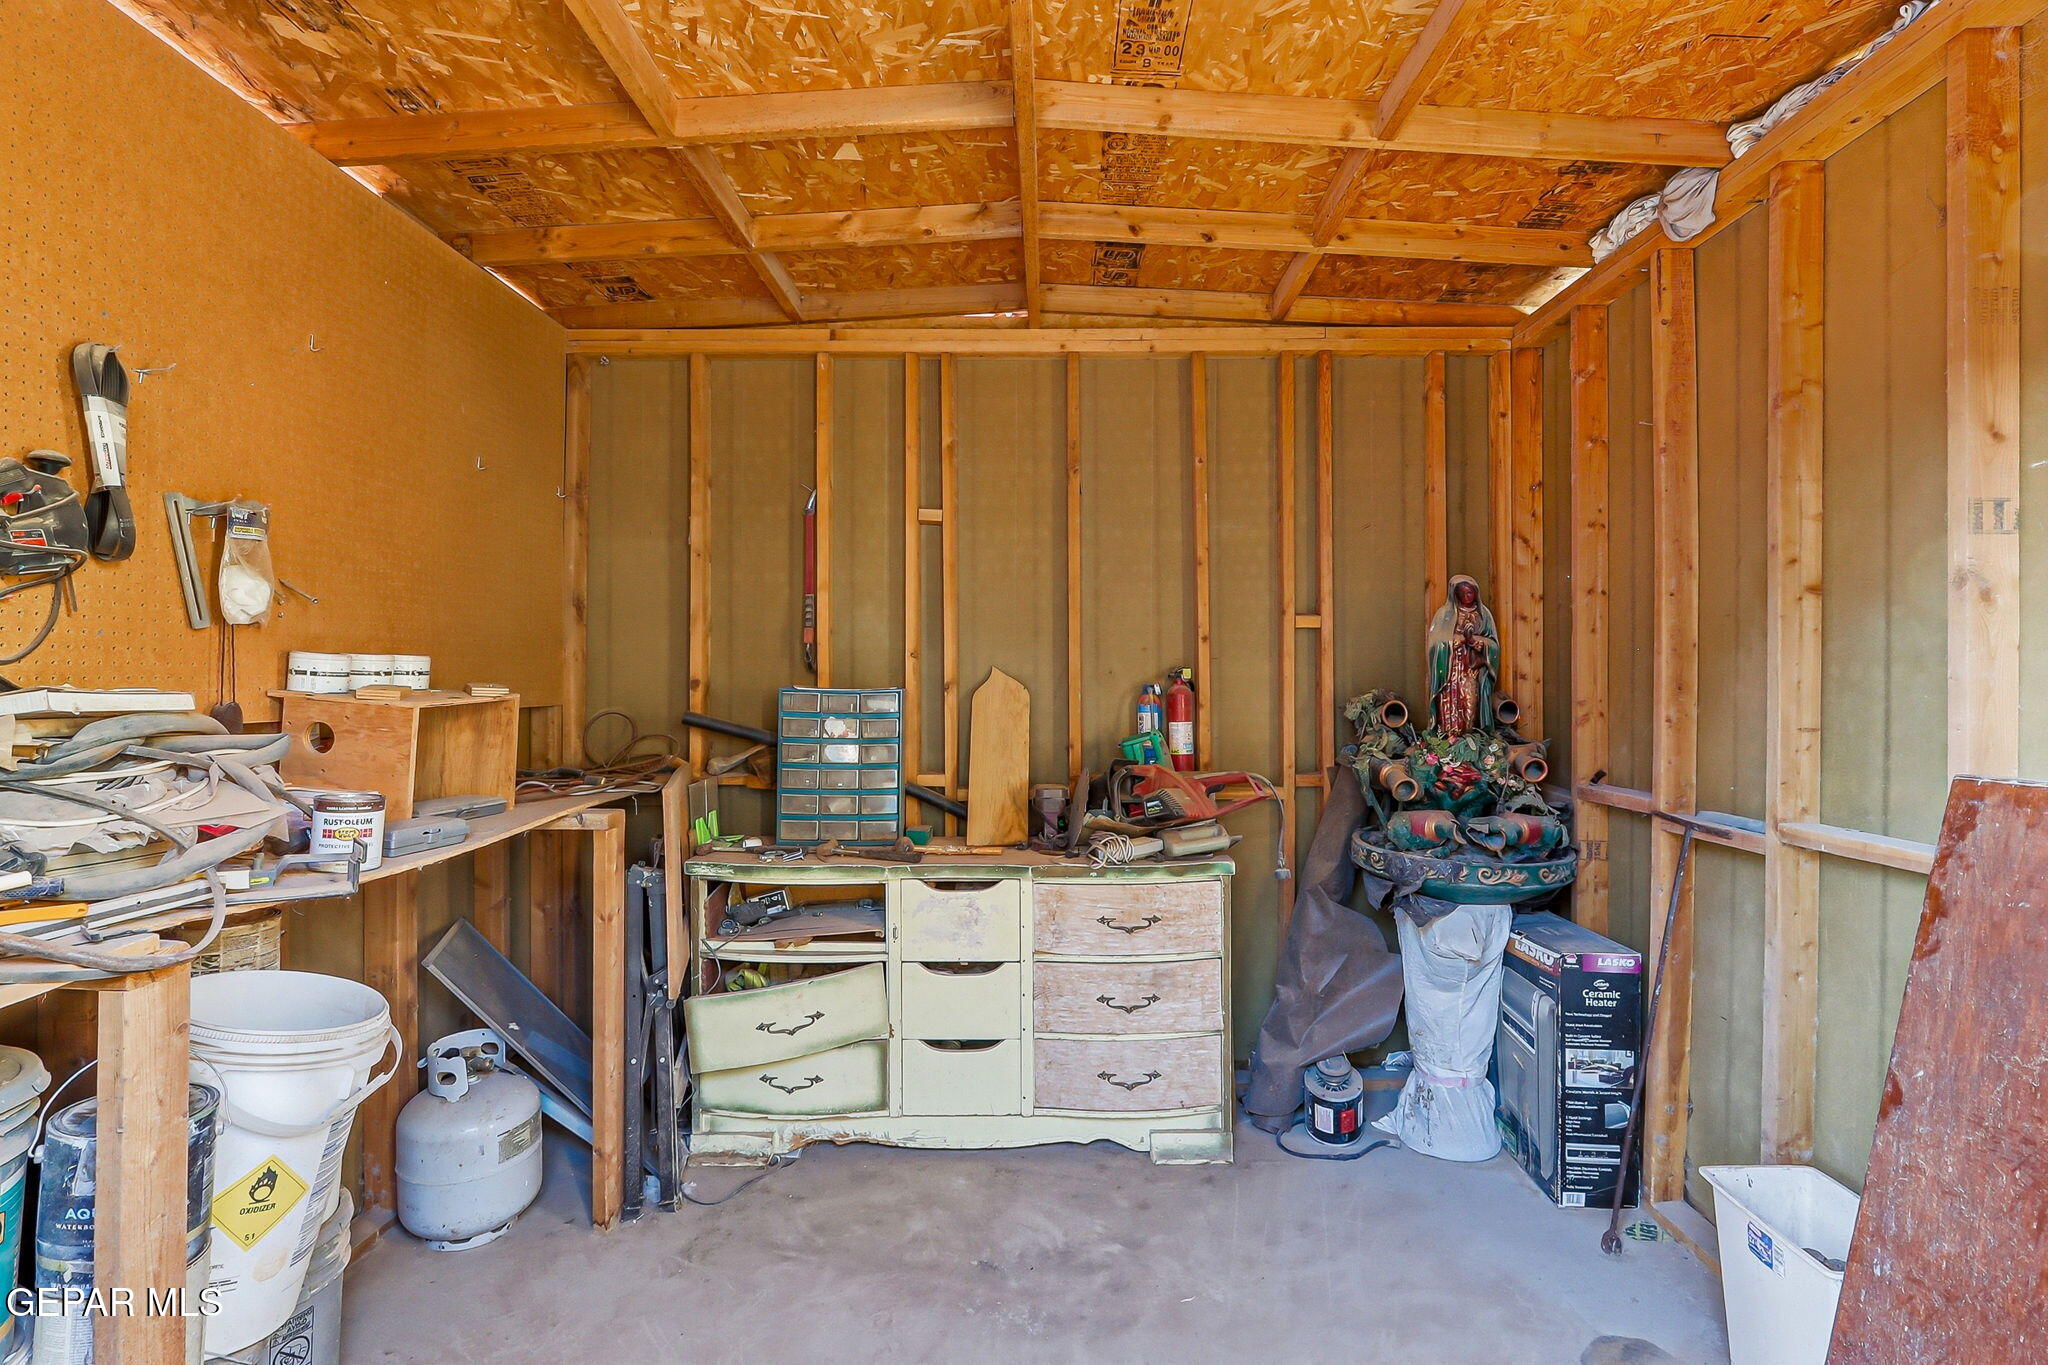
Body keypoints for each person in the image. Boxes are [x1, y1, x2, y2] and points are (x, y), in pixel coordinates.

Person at [1425, 575, 1500, 737]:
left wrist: (1475, 641)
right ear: (1455, 594)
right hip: (1450, 672)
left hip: (1471, 669)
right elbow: (1435, 644)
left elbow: (1493, 644)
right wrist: (1456, 641)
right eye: (1463, 593)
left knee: (1470, 704)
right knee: (1450, 706)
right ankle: (1449, 740)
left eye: (1470, 593)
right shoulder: (1445, 613)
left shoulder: (1483, 614)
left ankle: (1470, 738)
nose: (1467, 596)